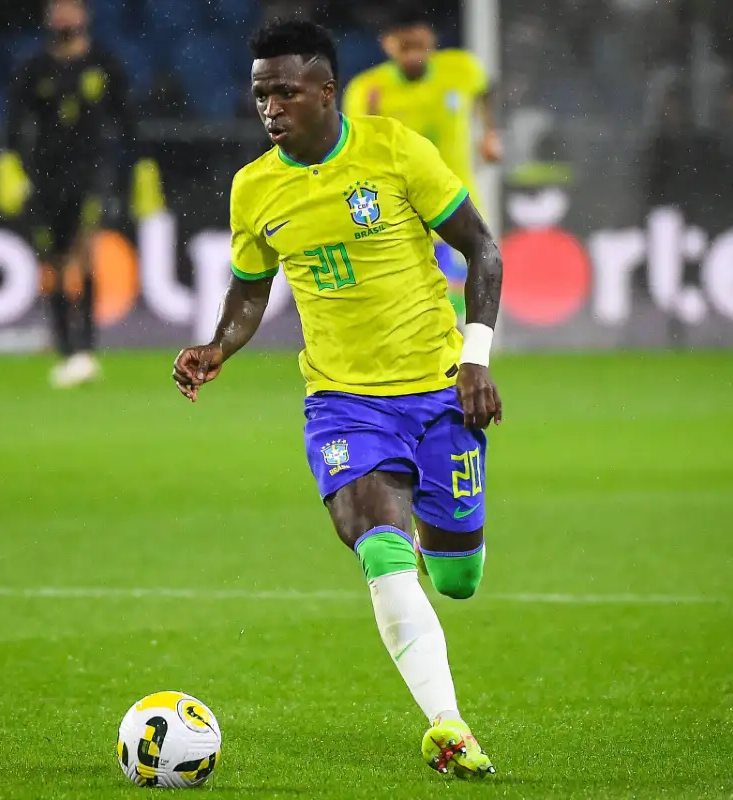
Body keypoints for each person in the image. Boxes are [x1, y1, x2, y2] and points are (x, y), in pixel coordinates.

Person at [172, 19, 503, 778]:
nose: (271, 106)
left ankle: (436, 546)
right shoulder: (255, 187)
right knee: (380, 549)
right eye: (261, 93)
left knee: (458, 580)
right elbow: (249, 289)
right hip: (342, 402)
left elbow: (482, 248)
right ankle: (448, 725)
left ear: (327, 91)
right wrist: (218, 345)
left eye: (286, 91)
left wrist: (475, 359)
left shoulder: (394, 150)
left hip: (437, 388)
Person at [0, 0, 134, 387]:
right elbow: (14, 123)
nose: (63, 16)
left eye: (69, 8)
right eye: (57, 9)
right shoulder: (33, 67)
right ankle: (65, 349)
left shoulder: (104, 63)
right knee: (52, 264)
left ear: (84, 15)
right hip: (45, 176)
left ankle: (86, 348)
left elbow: (127, 121)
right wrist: (8, 164)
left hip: (90, 173)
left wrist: (140, 167)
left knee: (84, 253)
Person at [342, 5, 502, 319]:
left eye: (419, 45)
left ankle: (457, 346)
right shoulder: (367, 89)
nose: (414, 55)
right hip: (402, 211)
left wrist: (489, 133)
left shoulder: (461, 68)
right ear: (387, 44)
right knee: (414, 305)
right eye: (405, 47)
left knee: (458, 299)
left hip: (457, 203)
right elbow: (355, 147)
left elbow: (485, 90)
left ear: (432, 40)